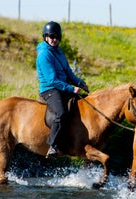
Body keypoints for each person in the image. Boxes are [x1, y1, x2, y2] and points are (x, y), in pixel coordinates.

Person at [36, 21, 89, 159]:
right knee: (61, 112)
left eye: (57, 37)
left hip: (63, 87)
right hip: (50, 90)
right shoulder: (44, 55)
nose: (55, 40)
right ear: (45, 37)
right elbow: (52, 80)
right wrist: (71, 88)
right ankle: (52, 146)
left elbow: (68, 72)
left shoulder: (59, 52)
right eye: (52, 36)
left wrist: (80, 83)